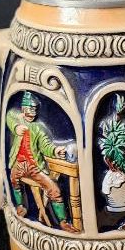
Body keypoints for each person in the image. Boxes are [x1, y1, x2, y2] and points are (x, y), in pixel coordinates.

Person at [7, 91, 76, 232]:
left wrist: (55, 151)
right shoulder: (17, 119)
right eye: (29, 109)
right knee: (13, 179)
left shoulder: (38, 128)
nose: (32, 113)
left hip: (34, 166)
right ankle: (20, 205)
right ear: (23, 109)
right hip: (19, 163)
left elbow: (46, 146)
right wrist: (16, 127)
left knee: (54, 190)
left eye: (34, 110)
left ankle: (63, 221)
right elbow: (9, 116)